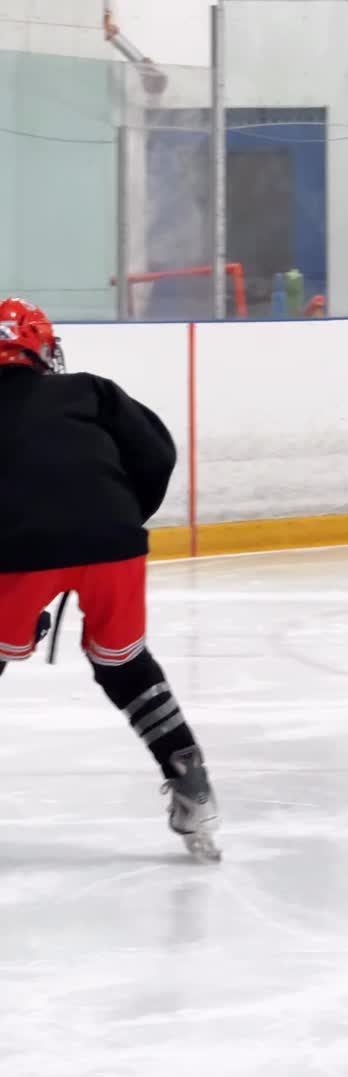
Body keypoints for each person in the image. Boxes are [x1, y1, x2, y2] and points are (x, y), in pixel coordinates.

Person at [0, 297, 220, 860]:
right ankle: (188, 774)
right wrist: (117, 517)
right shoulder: (90, 390)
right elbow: (156, 453)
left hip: (21, 546)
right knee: (123, 662)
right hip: (114, 539)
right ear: (43, 351)